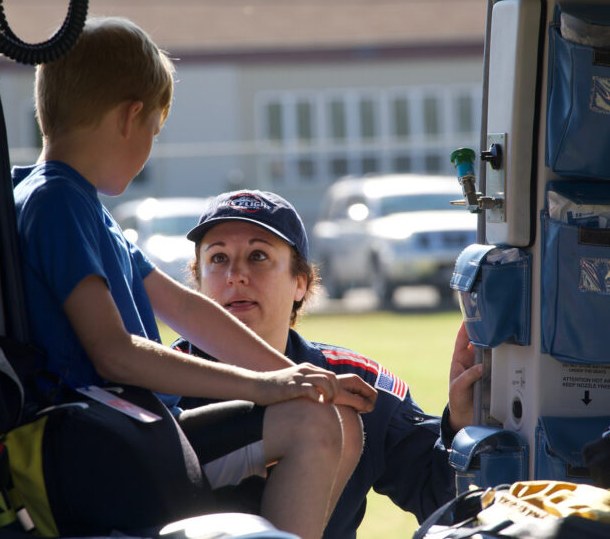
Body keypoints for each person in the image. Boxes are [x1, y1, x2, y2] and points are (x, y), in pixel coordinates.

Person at [12, 17, 377, 539]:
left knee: (333, 418)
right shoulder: (56, 202)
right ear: (131, 117)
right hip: (102, 450)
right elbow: (114, 353)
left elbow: (184, 308)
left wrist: (297, 376)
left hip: (139, 435)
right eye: (154, 132)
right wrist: (264, 385)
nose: (149, 149)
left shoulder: (77, 203)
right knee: (316, 425)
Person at [174, 189, 483, 539]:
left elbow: (442, 503)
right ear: (196, 283)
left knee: (339, 415)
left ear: (300, 284)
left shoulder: (356, 385)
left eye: (258, 255)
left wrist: (460, 423)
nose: (235, 275)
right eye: (217, 259)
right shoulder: (163, 383)